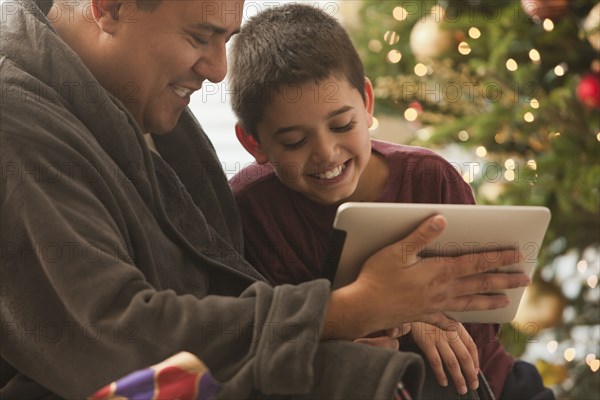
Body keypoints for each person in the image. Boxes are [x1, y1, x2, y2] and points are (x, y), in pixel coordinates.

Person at [0, 0, 531, 398]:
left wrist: (345, 328)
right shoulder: (17, 123)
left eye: (225, 38)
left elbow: (225, 287)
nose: (218, 68)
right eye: (200, 36)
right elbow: (111, 339)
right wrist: (350, 310)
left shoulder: (147, 110)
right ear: (110, 8)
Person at [229, 4, 554, 400]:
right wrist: (369, 327)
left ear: (366, 103)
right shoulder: (250, 209)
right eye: (295, 142)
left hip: (487, 384)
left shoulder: (431, 179)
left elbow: (481, 321)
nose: (327, 154)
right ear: (254, 143)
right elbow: (270, 336)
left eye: (342, 125)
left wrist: (418, 312)